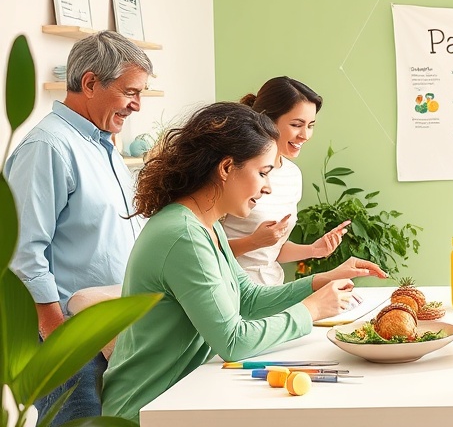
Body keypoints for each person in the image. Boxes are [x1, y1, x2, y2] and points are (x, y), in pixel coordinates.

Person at [101, 102, 388, 423]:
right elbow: (234, 342)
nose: (268, 186)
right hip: (144, 409)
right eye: (263, 172)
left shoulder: (205, 226)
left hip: (177, 398)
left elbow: (247, 299)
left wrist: (317, 282)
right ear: (226, 168)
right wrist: (312, 310)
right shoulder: (184, 235)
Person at [4, 31, 153, 425]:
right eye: (130, 92)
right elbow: (22, 254)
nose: (137, 105)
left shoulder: (104, 146)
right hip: (68, 335)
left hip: (106, 332)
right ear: (90, 83)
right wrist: (59, 337)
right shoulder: (48, 147)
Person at [221, 76, 344, 285]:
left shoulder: (293, 175)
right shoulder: (235, 170)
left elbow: (271, 251)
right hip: (233, 291)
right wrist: (252, 242)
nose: (305, 135)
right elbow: (203, 253)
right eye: (297, 124)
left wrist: (314, 249)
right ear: (267, 120)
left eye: (311, 125)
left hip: (273, 291)